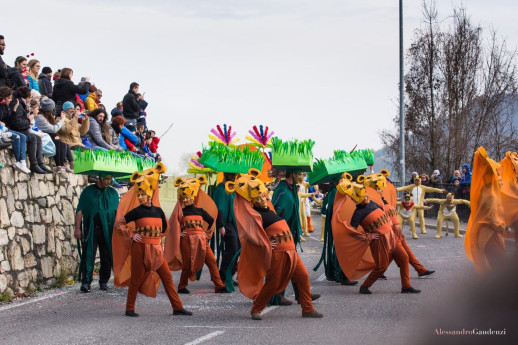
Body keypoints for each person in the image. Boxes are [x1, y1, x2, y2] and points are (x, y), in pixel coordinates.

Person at [225, 169, 323, 320]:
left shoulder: (268, 210)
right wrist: (264, 243)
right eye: (259, 198)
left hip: (290, 250)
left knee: (302, 277)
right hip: (278, 252)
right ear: (252, 201)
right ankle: (256, 309)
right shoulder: (255, 216)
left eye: (264, 195)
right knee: (273, 283)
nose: (264, 199)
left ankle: (307, 309)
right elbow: (250, 236)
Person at [113, 163, 192, 317]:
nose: (141, 196)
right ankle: (129, 308)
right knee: (136, 279)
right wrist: (131, 235)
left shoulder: (158, 211)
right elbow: (119, 224)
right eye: (139, 194)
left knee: (167, 278)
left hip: (156, 250)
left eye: (143, 194)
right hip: (140, 249)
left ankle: (177, 307)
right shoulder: (136, 211)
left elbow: (165, 229)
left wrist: (157, 238)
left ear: (150, 193)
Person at [333, 174, 421, 294]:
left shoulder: (374, 203)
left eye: (366, 194)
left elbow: (383, 211)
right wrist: (367, 236)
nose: (366, 196)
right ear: (358, 199)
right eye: (364, 195)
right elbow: (351, 231)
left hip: (392, 237)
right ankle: (365, 286)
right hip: (379, 241)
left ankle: (406, 286)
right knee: (381, 267)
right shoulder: (358, 213)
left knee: (404, 257)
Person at [362, 170, 435, 278]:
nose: (380, 189)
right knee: (401, 254)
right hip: (390, 233)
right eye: (377, 188)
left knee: (402, 253)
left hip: (396, 232)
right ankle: (379, 272)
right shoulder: (373, 203)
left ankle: (419, 270)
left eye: (380, 187)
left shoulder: (381, 199)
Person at [166, 176, 229, 294]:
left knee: (211, 261)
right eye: (183, 197)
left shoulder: (200, 210)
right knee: (187, 264)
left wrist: (206, 233)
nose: (186, 199)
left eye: (188, 197)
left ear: (193, 196)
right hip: (186, 240)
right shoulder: (180, 212)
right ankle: (181, 286)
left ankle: (219, 286)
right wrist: (180, 233)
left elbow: (212, 220)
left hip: (201, 240)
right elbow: (172, 226)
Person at [74, 175, 119, 292]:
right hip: (92, 228)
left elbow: (117, 212)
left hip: (108, 229)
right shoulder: (88, 192)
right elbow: (80, 210)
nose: (108, 181)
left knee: (107, 255)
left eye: (110, 179)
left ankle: (103, 281)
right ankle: (86, 282)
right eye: (105, 178)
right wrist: (77, 228)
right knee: (89, 254)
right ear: (99, 178)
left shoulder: (113, 193)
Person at [465, 147, 507, 273]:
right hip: (490, 235)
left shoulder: (485, 191)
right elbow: (493, 219)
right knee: (499, 266)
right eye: (499, 178)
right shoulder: (491, 195)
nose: (501, 181)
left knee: (493, 265)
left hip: (485, 234)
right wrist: (503, 227)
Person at [6, 86, 52, 174]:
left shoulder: (23, 105)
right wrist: (28, 121)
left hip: (22, 129)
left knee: (37, 138)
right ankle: (34, 164)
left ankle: (40, 163)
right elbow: (17, 123)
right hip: (16, 130)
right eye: (30, 97)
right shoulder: (19, 105)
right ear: (26, 97)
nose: (31, 99)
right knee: (33, 138)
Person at [212, 173, 239, 288]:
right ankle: (223, 275)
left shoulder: (232, 188)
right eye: (232, 175)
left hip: (234, 223)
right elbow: (218, 208)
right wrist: (221, 225)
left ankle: (229, 275)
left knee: (238, 247)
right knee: (232, 248)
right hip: (225, 222)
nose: (234, 177)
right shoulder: (220, 189)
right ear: (225, 175)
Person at [35, 98, 74, 174]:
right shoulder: (40, 118)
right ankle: (59, 166)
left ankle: (62, 165)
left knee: (63, 143)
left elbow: (52, 130)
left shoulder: (47, 117)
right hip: (41, 137)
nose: (53, 110)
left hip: (47, 135)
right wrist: (62, 120)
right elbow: (53, 129)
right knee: (58, 143)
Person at [0, 86, 30, 173]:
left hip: (5, 128)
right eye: (9, 98)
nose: (10, 100)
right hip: (2, 130)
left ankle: (22, 162)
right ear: (5, 97)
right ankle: (18, 161)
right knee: (17, 137)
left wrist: (14, 110)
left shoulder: (6, 106)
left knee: (23, 137)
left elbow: (10, 120)